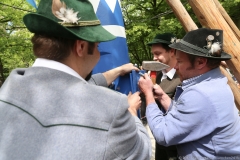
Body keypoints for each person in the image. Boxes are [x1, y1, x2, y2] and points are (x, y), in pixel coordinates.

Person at [0, 0, 151, 159]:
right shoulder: (112, 111)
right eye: (98, 46)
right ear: (81, 47)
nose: (99, 54)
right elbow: (142, 153)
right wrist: (132, 113)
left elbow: (66, 87)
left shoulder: (8, 89)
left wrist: (118, 70)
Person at [138, 28, 240, 159]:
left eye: (179, 62)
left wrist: (149, 95)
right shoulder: (215, 83)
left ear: (200, 62)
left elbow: (163, 134)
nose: (175, 67)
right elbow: (185, 116)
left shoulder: (200, 94)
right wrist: (163, 97)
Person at [140, 33, 181, 160]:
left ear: (172, 51)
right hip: (158, 143)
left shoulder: (182, 78)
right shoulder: (155, 75)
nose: (154, 58)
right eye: (153, 54)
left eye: (158, 54)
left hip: (175, 148)